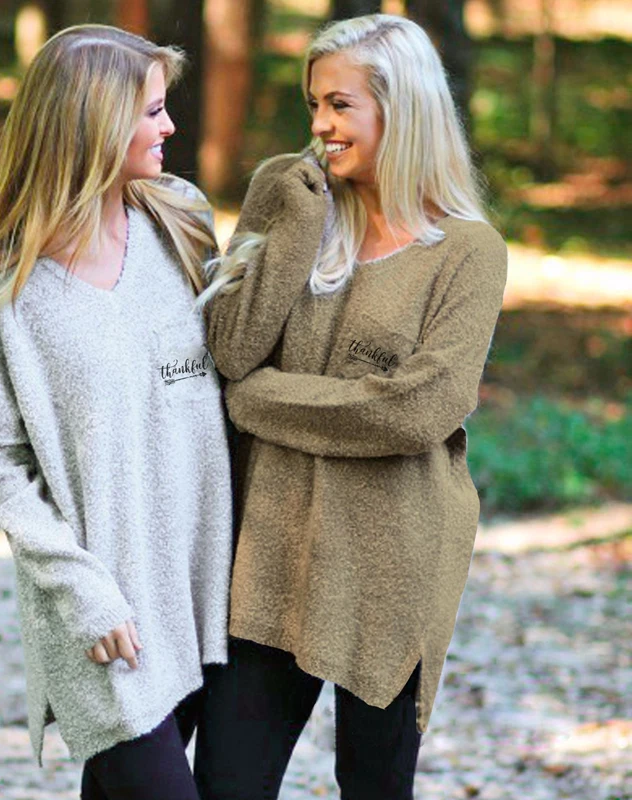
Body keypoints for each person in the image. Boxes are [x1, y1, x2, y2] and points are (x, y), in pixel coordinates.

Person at [193, 14, 507, 800]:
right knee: (227, 783)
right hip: (269, 549)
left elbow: (419, 410)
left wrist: (260, 400)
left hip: (391, 561)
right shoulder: (290, 196)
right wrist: (295, 226)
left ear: (403, 110)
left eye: (340, 104)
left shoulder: (469, 252)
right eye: (314, 104)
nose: (320, 126)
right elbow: (231, 350)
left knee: (373, 785)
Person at [0, 25, 232, 800]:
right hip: (103, 613)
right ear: (92, 123)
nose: (170, 126)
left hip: (200, 587)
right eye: (153, 112)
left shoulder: (181, 220)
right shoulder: (1, 286)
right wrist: (83, 594)